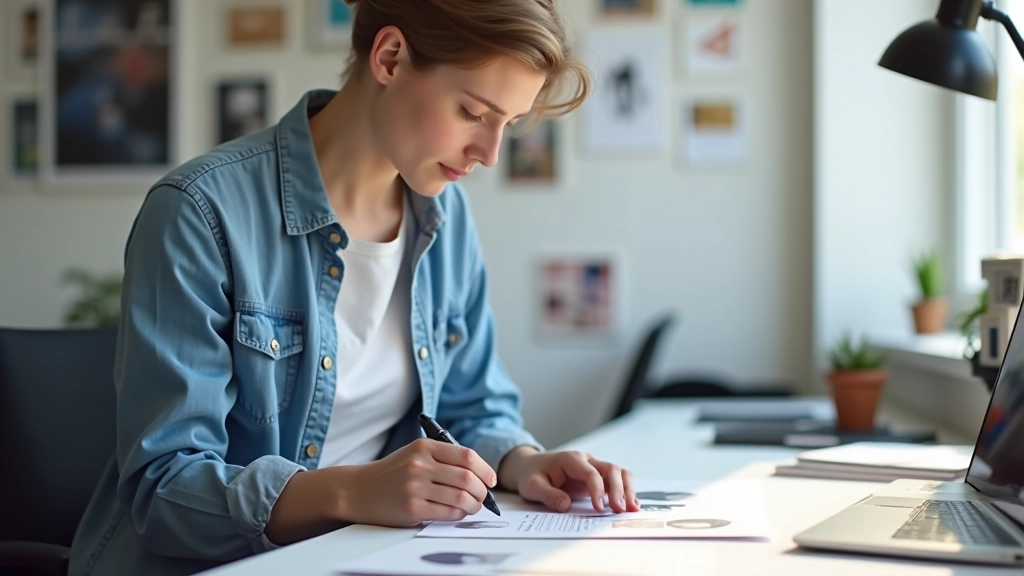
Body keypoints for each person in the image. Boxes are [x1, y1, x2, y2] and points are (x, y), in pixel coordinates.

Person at [68, 1, 639, 575]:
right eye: (472, 112)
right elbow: (165, 488)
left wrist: (521, 462)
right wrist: (353, 493)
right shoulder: (200, 213)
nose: (489, 154)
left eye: (508, 126)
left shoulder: (446, 217)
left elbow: (472, 403)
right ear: (389, 58)